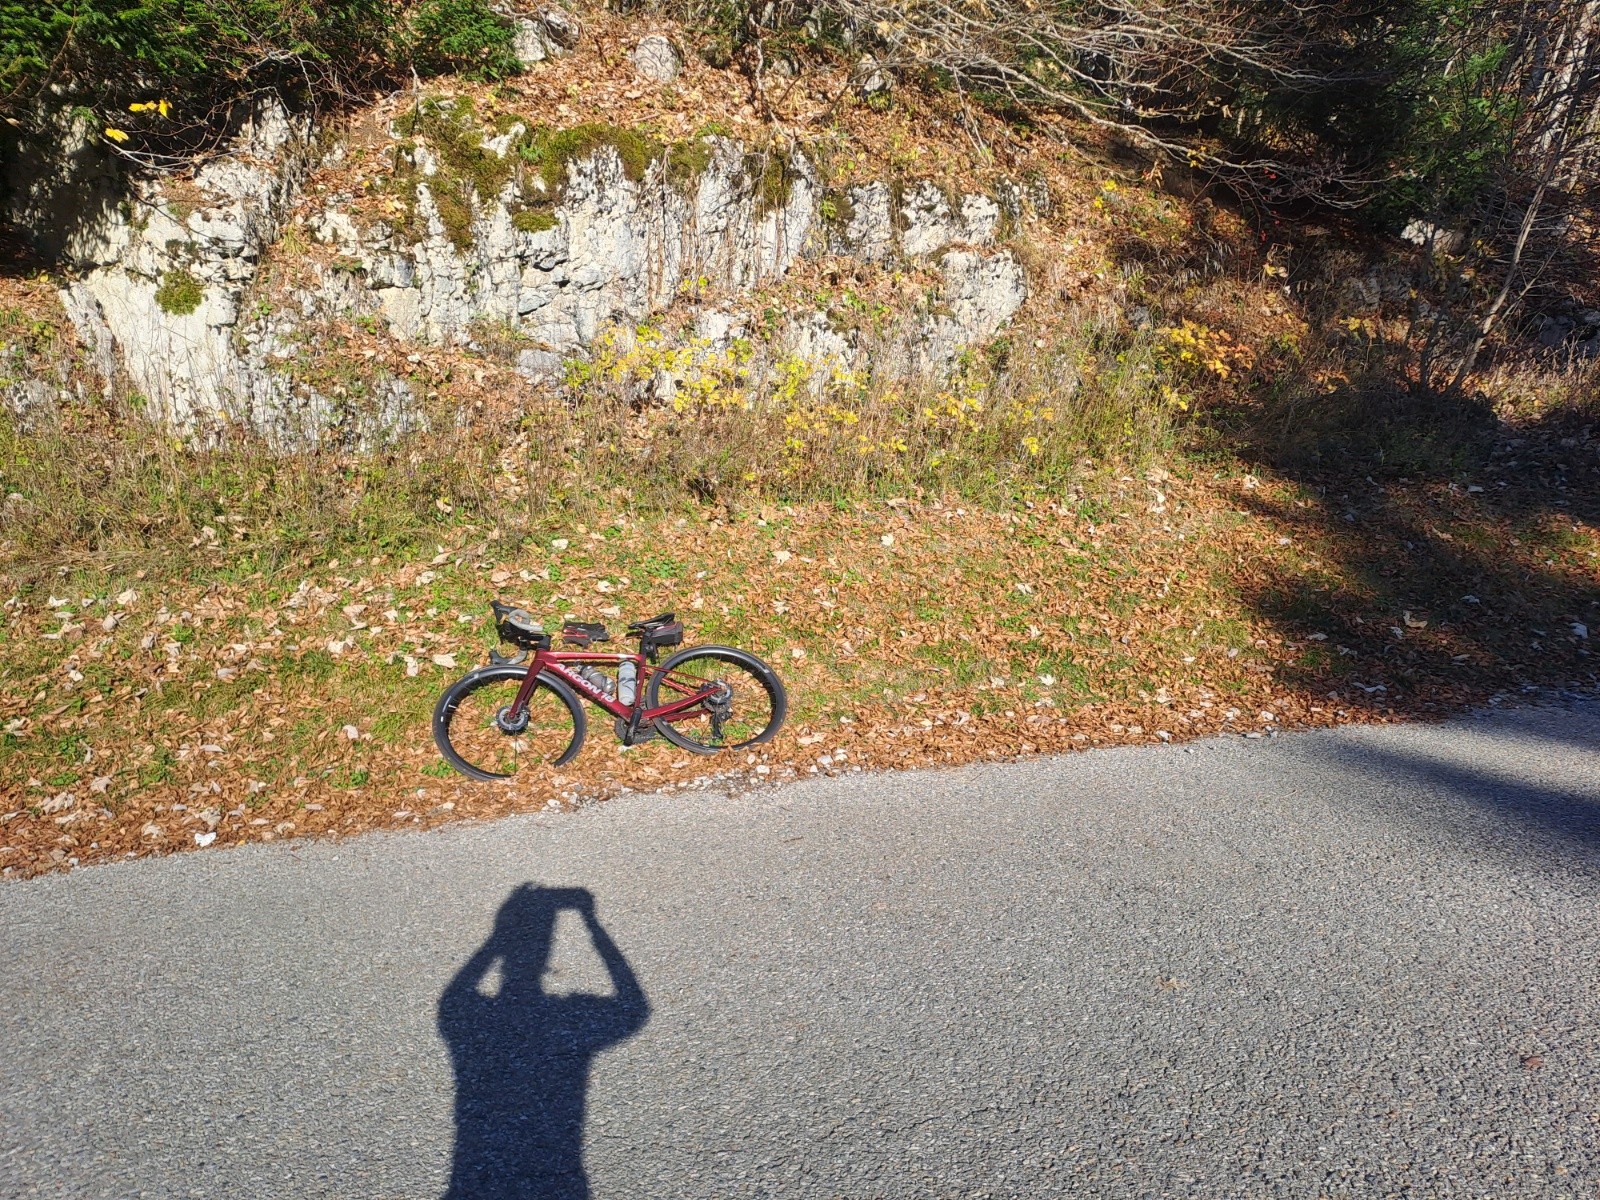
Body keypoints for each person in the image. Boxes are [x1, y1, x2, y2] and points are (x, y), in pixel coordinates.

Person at [439, 885, 649, 1200]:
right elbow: (633, 1007)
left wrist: (499, 937)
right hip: (558, 1182)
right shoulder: (567, 1020)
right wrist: (590, 923)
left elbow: (453, 997)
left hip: (472, 1183)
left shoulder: (472, 1021)